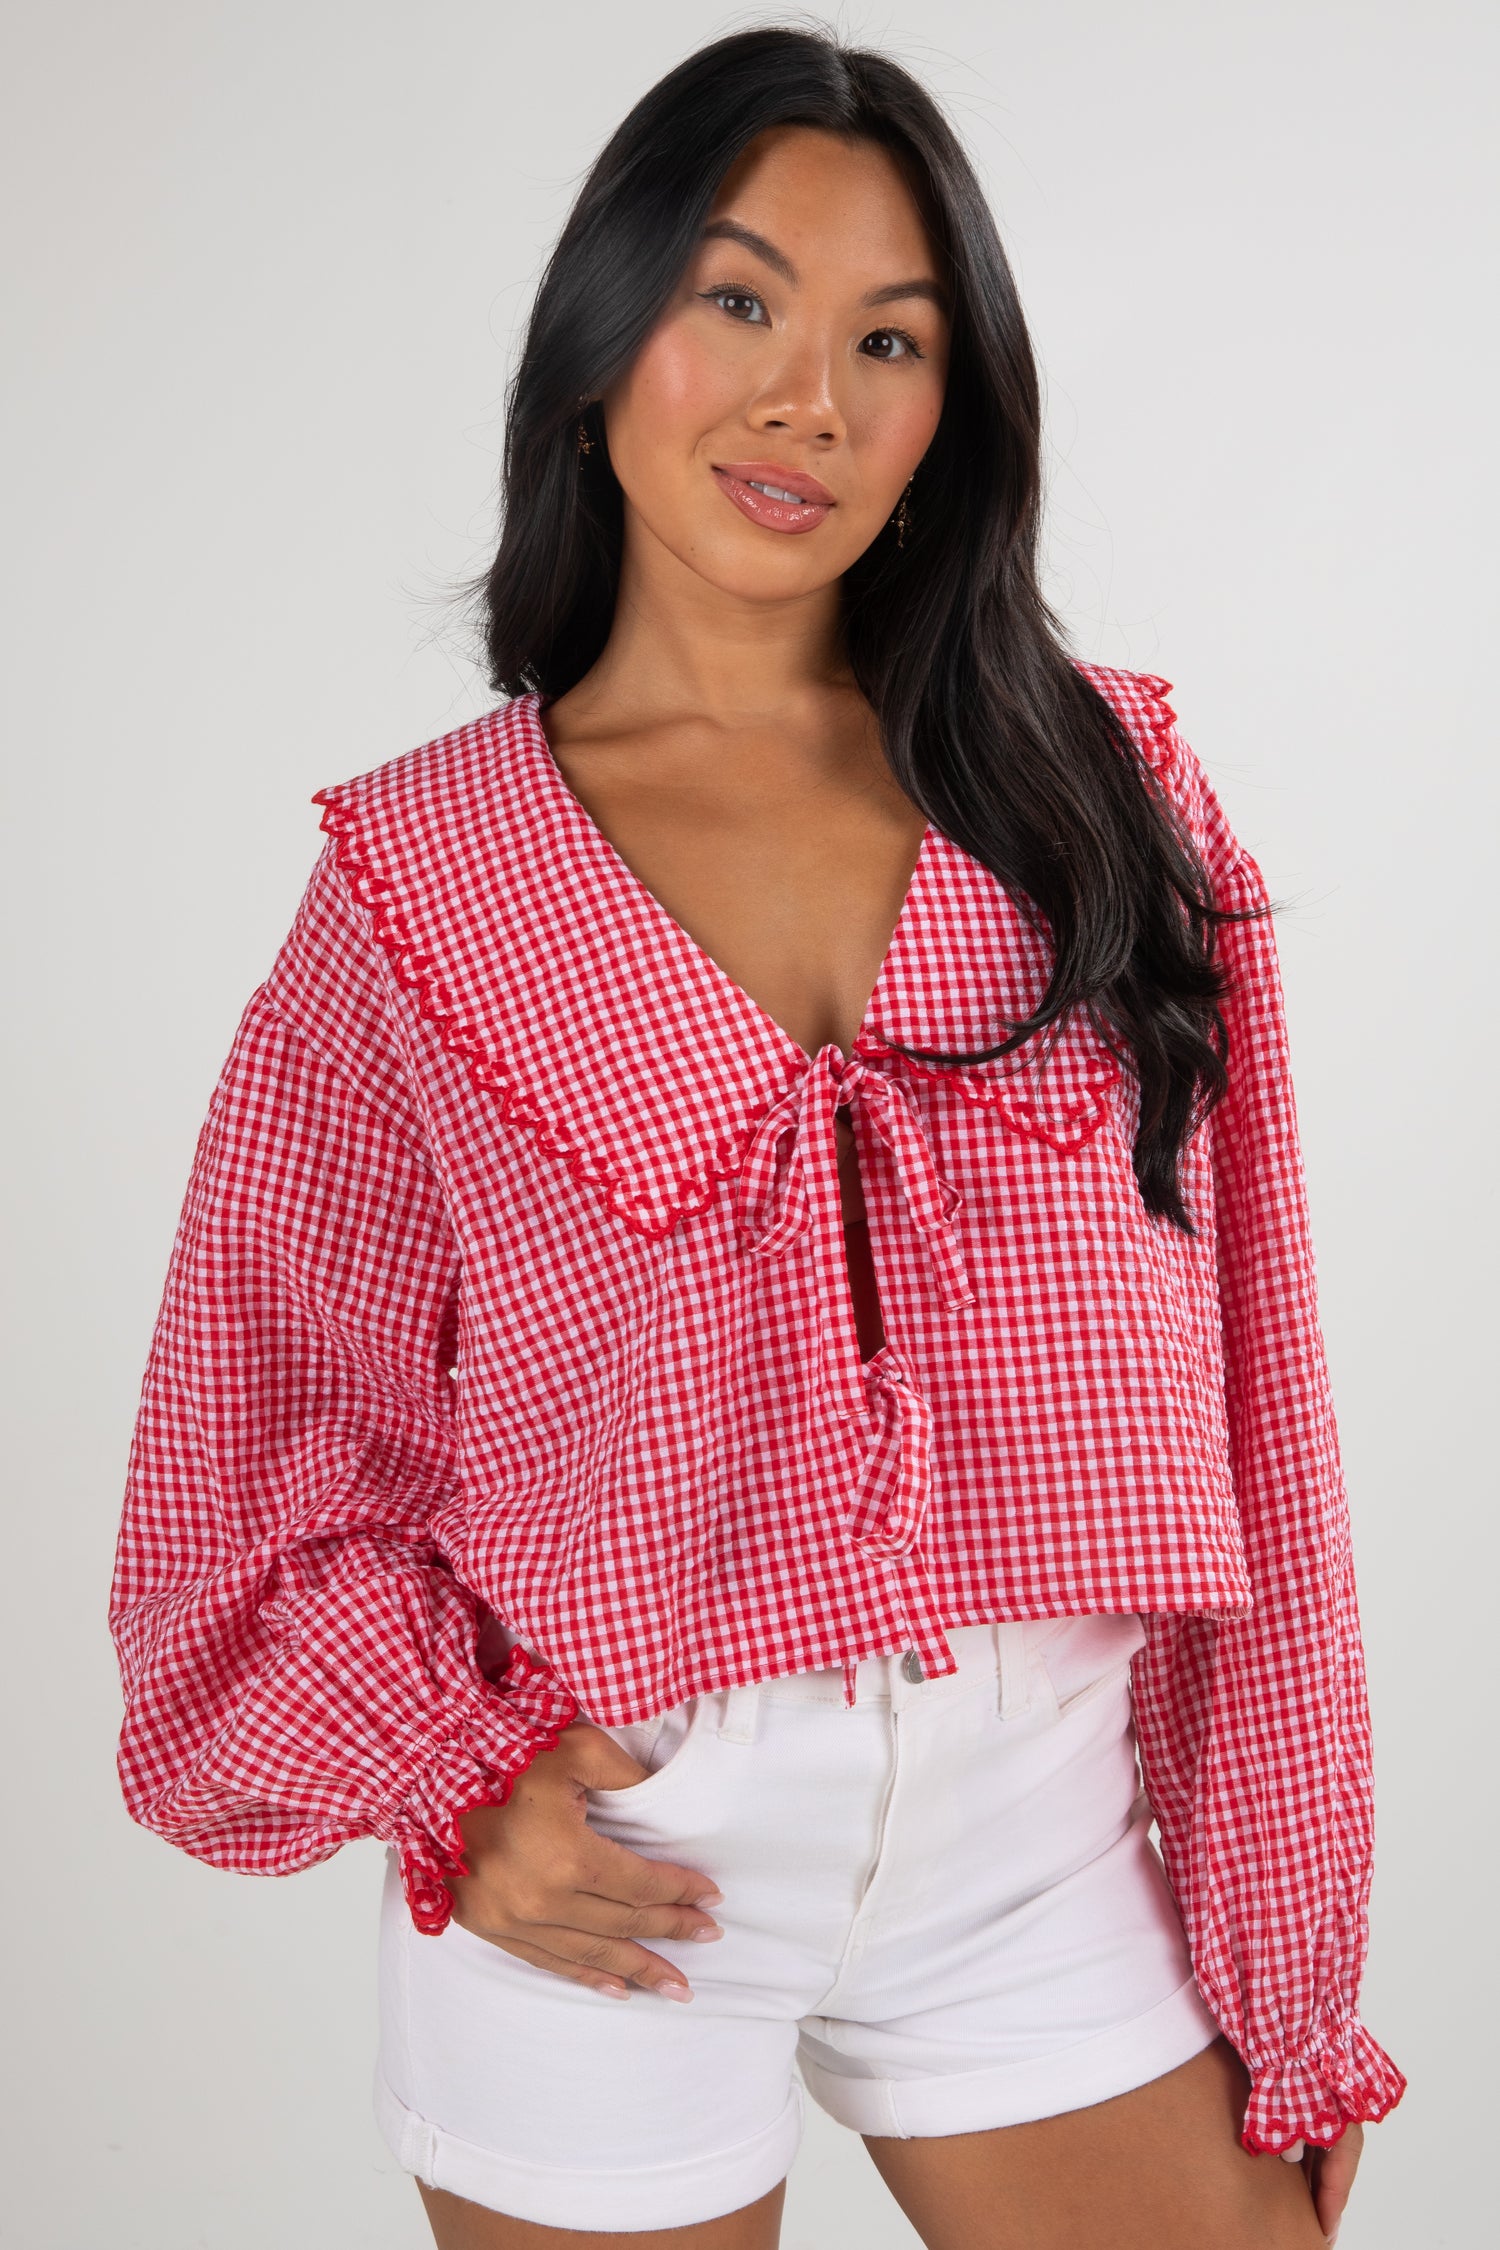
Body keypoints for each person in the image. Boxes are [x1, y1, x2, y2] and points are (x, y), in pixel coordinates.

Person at [106, 24, 1405, 2250]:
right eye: (741, 302)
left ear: (953, 411)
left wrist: (1284, 1969)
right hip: (622, 1851)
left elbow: (1262, 1399)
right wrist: (456, 1780)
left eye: (890, 340)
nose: (811, 397)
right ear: (605, 334)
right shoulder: (425, 886)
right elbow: (260, 1435)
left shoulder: (1101, 799)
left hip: (1043, 1839)